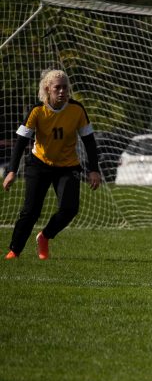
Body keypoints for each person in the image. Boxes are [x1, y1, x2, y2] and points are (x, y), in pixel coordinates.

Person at [3, 69, 101, 260]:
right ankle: (15, 250)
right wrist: (12, 170)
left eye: (65, 87)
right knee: (31, 211)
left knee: (70, 209)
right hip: (39, 164)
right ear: (48, 89)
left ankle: (45, 236)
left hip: (68, 166)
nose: (63, 91)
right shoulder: (37, 110)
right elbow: (21, 142)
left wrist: (94, 170)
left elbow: (89, 141)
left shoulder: (77, 109)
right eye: (58, 88)